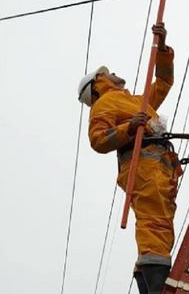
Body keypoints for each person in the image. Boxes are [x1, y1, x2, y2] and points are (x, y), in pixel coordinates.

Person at [77, 23, 182, 293]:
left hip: (160, 165)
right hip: (142, 164)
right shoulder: (105, 104)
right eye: (107, 74)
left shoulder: (137, 100)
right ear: (97, 86)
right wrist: (130, 127)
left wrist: (161, 48)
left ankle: (147, 276)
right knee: (154, 220)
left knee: (161, 219)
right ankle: (156, 279)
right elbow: (98, 140)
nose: (114, 74)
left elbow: (164, 82)